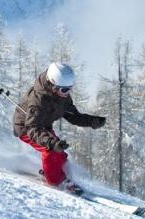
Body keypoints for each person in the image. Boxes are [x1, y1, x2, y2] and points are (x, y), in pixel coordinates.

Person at [13, 62, 106, 194]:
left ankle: (57, 174)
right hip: (27, 128)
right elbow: (32, 128)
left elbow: (73, 116)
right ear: (53, 85)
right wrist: (51, 142)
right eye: (64, 89)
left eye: (70, 88)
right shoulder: (38, 100)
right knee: (50, 150)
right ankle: (56, 181)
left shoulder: (62, 97)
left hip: (43, 126)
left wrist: (92, 121)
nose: (67, 93)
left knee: (60, 153)